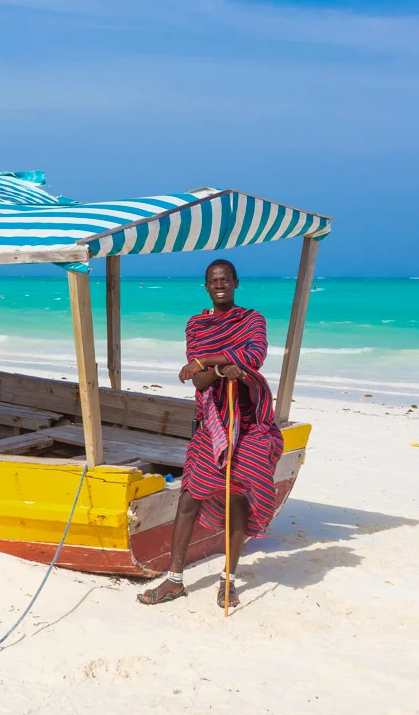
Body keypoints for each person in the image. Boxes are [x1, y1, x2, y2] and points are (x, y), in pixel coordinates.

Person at [137, 259, 284, 608]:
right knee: (189, 499)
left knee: (238, 499)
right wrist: (220, 367)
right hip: (213, 424)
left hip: (248, 425)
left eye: (225, 280)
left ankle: (228, 581)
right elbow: (200, 380)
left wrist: (206, 362)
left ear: (235, 283)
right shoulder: (197, 324)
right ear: (206, 286)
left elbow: (255, 357)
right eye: (213, 281)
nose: (219, 285)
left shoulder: (252, 319)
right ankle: (174, 580)